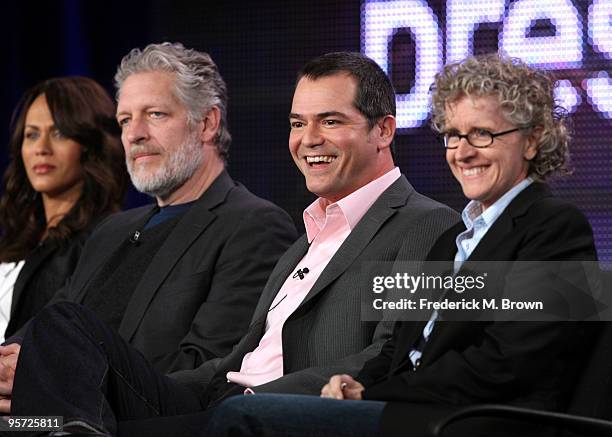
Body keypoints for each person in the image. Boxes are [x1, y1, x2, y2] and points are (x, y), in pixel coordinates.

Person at [3, 51, 457, 435]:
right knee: (62, 330)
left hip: (270, 413)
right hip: (218, 401)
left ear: (383, 131)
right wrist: (140, 386)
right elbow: (237, 359)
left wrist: (253, 397)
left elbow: (386, 355)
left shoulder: (425, 225)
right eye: (298, 123)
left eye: (330, 121)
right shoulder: (307, 238)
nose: (308, 139)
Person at [203, 54, 599, 437]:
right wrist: (358, 386)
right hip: (411, 410)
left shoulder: (557, 227)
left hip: (471, 422)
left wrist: (379, 395)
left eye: (482, 134)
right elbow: (398, 348)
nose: (463, 151)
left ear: (531, 141)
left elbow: (509, 364)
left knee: (243, 416)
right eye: (453, 135)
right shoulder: (453, 241)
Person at [0, 42, 297, 426]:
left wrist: (50, 375)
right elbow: (41, 327)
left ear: (207, 123)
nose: (135, 135)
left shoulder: (253, 225)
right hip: (53, 415)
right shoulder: (111, 230)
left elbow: (211, 371)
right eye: (124, 120)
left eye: (155, 114)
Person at [0, 76, 127, 341]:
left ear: (90, 145)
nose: (41, 149)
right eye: (31, 134)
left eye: (59, 133)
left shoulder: (103, 239)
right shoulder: (18, 236)